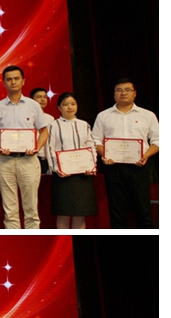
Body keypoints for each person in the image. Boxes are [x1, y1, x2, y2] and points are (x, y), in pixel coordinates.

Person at [0, 66, 49, 229]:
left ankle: (32, 240)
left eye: (16, 78)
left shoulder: (33, 105)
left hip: (29, 161)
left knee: (31, 209)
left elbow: (44, 132)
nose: (13, 82)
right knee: (10, 210)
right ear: (4, 83)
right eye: (9, 79)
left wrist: (36, 147)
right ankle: (14, 239)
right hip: (5, 162)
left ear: (23, 81)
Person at [92, 78, 159, 228]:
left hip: (139, 167)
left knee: (143, 211)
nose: (123, 93)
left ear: (134, 93)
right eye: (119, 90)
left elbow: (158, 140)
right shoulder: (103, 116)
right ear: (114, 94)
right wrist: (105, 154)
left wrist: (146, 155)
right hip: (113, 168)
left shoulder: (147, 115)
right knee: (116, 212)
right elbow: (95, 140)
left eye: (127, 90)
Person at [46, 92, 98, 229]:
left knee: (80, 213)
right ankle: (64, 240)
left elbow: (91, 146)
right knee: (63, 212)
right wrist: (56, 168)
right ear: (59, 107)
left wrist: (91, 166)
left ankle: (78, 240)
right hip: (63, 175)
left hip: (83, 175)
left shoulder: (84, 125)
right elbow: (50, 148)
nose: (70, 107)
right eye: (65, 104)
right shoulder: (53, 126)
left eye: (73, 104)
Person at [30, 87, 55, 174]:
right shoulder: (27, 117)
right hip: (31, 156)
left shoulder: (50, 118)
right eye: (39, 97)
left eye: (45, 97)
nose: (43, 100)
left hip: (45, 157)